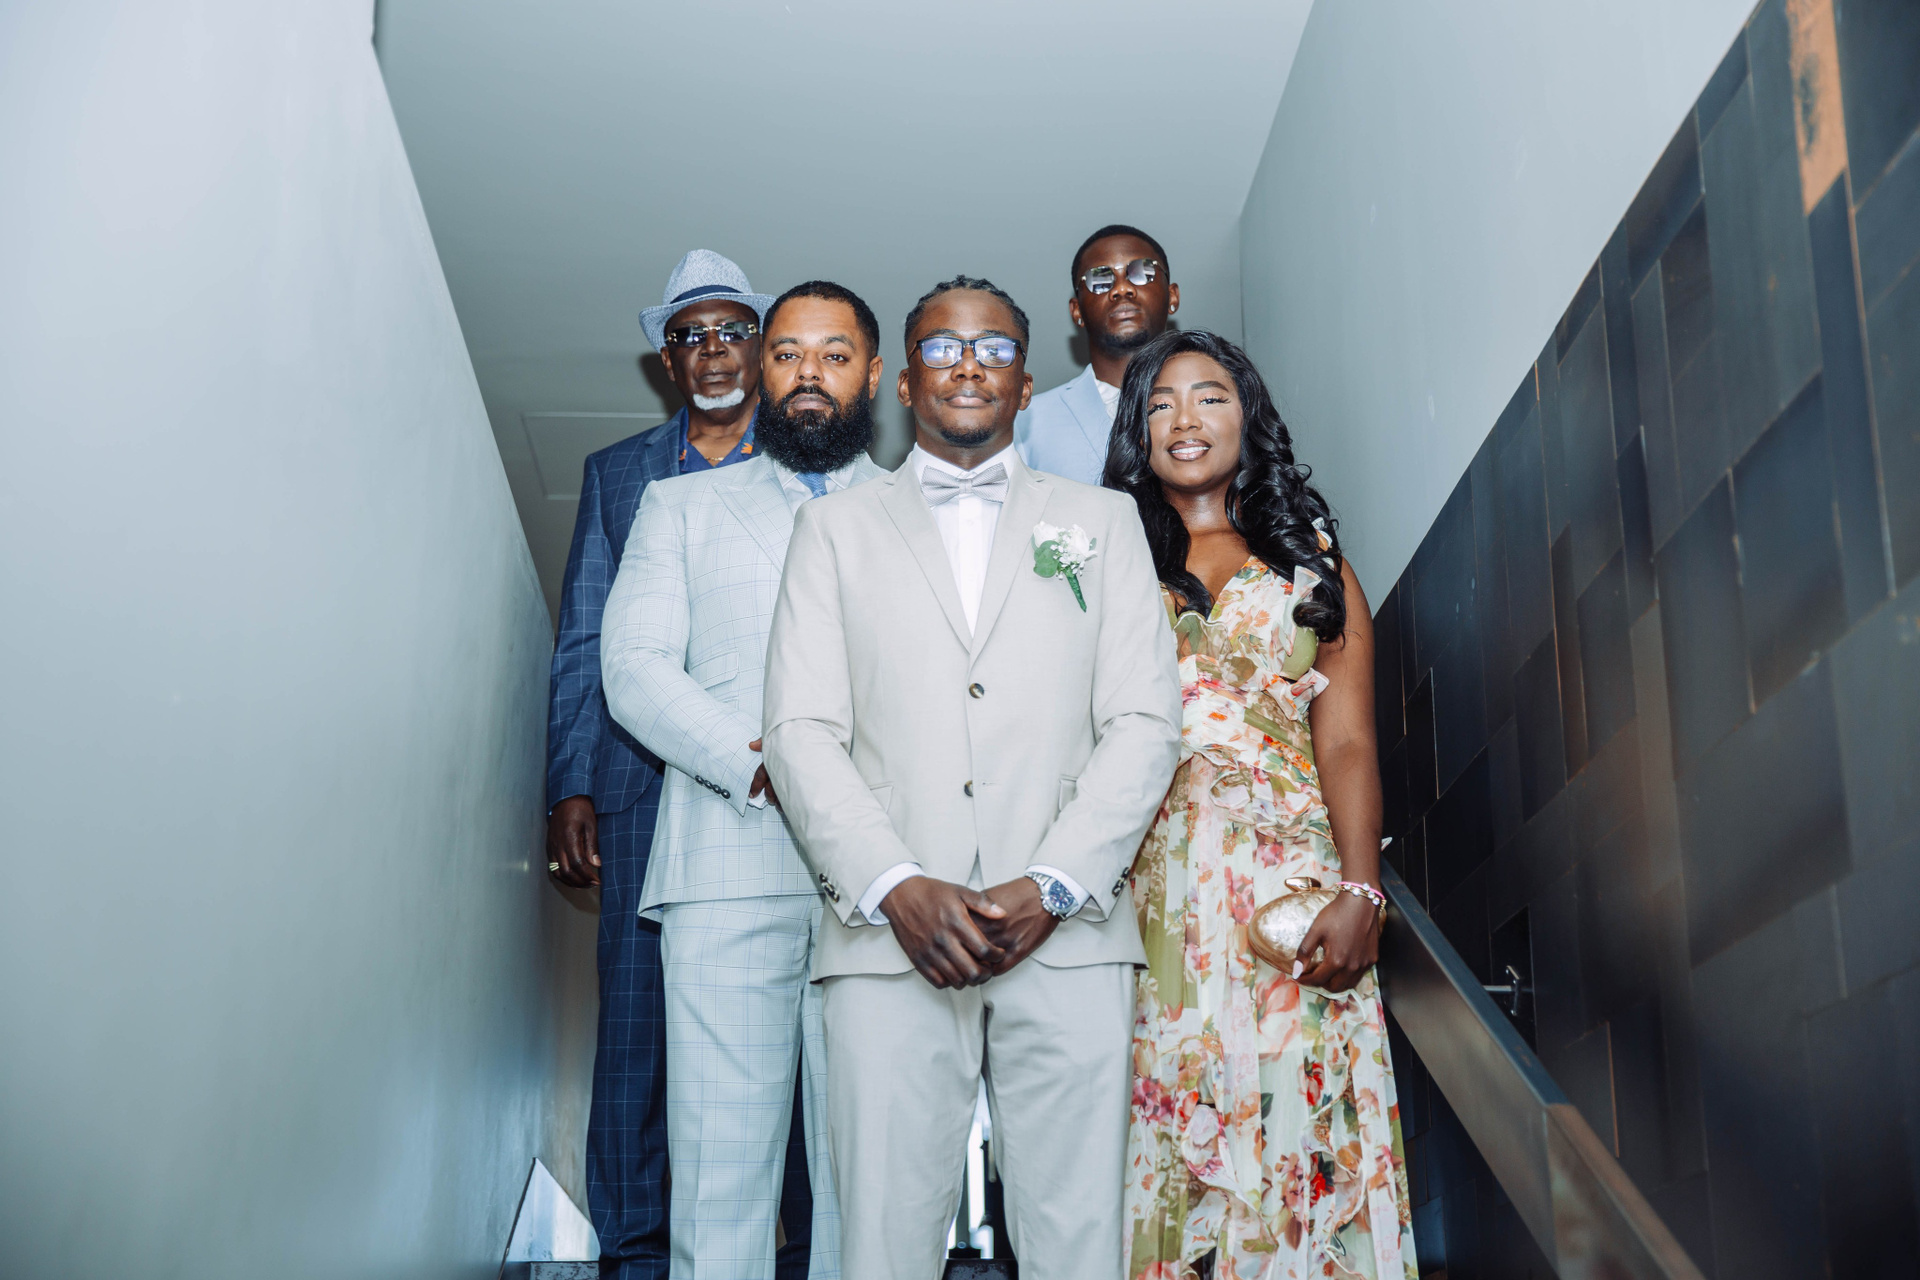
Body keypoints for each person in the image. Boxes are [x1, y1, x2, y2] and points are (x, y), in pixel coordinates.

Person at [761, 276, 1183, 1280]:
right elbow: (799, 731)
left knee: (1081, 1246)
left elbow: (1144, 723)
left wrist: (1054, 884)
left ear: (1026, 385)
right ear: (905, 382)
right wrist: (895, 885)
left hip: (1068, 935)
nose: (967, 365)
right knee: (877, 1246)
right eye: (943, 348)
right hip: (887, 937)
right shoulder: (832, 530)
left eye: (993, 349)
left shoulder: (1104, 522)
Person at [1104, 330, 1416, 1280]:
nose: (1185, 418)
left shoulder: (1312, 565)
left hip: (1291, 891)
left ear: (1250, 418)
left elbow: (1348, 742)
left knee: (1300, 1111)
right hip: (1150, 897)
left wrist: (1360, 893)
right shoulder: (1106, 560)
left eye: (1211, 396)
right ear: (1137, 430)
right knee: (1173, 1114)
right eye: (1161, 402)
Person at [601, 280, 892, 1280]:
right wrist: (767, 767)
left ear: (873, 375)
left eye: (835, 354)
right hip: (728, 862)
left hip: (889, 879)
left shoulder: (924, 514)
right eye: (788, 353)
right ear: (764, 370)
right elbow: (634, 668)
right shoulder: (679, 505)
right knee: (718, 1181)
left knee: (869, 1186)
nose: (809, 372)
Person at [544, 248, 816, 1279]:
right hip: (637, 787)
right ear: (667, 360)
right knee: (636, 1028)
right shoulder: (619, 473)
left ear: (762, 348)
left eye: (731, 330)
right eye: (689, 335)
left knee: (793, 1021)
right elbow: (586, 635)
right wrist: (571, 781)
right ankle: (633, 1253)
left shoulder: (810, 466)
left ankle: (796, 1244)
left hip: (778, 801)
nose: (711, 350)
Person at [1013, 224, 1180, 486]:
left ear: (1172, 296)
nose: (1121, 289)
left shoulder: (1216, 407)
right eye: (1100, 279)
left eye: (1141, 272)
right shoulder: (1026, 421)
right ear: (1076, 311)